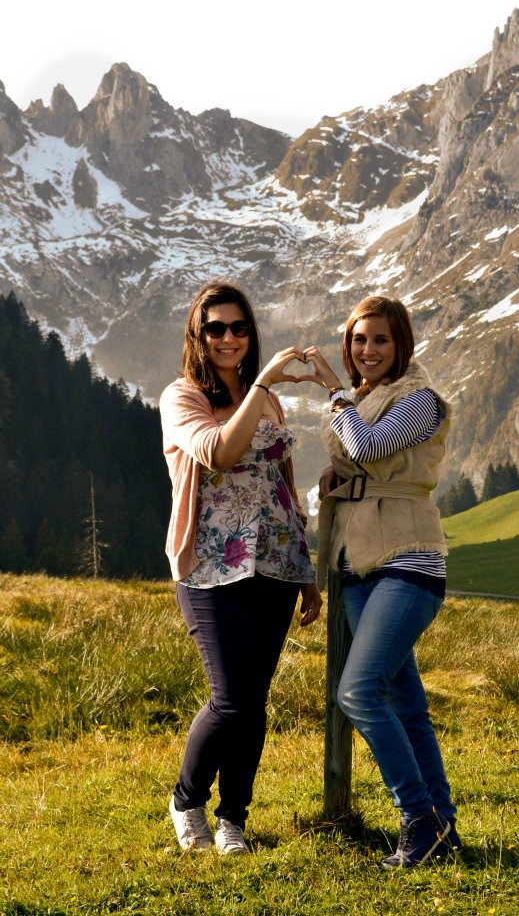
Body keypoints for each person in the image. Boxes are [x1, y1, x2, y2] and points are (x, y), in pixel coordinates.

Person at [160, 281, 322, 856]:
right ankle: (186, 801)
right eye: (215, 328)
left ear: (251, 333)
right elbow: (220, 452)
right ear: (197, 335)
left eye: (239, 327)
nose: (228, 338)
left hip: (276, 562)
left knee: (253, 701)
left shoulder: (268, 401)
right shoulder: (181, 397)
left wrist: (306, 570)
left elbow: (284, 484)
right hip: (209, 566)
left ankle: (233, 819)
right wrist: (261, 384)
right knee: (229, 696)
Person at [300, 295, 461, 869]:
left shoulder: (421, 400)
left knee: (358, 692)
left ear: (401, 344)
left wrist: (332, 389)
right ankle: (442, 827)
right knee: (404, 703)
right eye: (359, 339)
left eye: (381, 340)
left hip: (409, 559)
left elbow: (368, 447)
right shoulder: (363, 401)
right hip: (356, 565)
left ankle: (417, 820)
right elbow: (357, 463)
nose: (368, 350)